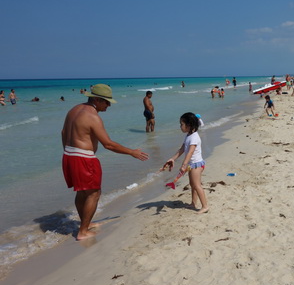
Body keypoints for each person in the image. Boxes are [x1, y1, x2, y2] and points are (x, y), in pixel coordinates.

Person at [62, 84, 148, 240]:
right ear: (96, 99)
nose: (108, 105)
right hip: (84, 159)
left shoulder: (74, 110)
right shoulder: (93, 117)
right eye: (106, 102)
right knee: (94, 193)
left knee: (82, 191)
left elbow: (63, 132)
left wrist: (70, 152)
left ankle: (85, 224)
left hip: (68, 155)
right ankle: (83, 231)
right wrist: (132, 152)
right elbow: (108, 144)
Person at [162, 112, 209, 213]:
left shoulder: (194, 137)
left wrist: (183, 165)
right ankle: (193, 203)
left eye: (181, 124)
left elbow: (190, 152)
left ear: (189, 125)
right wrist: (173, 159)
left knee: (197, 185)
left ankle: (205, 206)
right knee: (192, 185)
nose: (180, 126)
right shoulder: (188, 135)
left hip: (196, 165)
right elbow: (182, 149)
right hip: (192, 165)